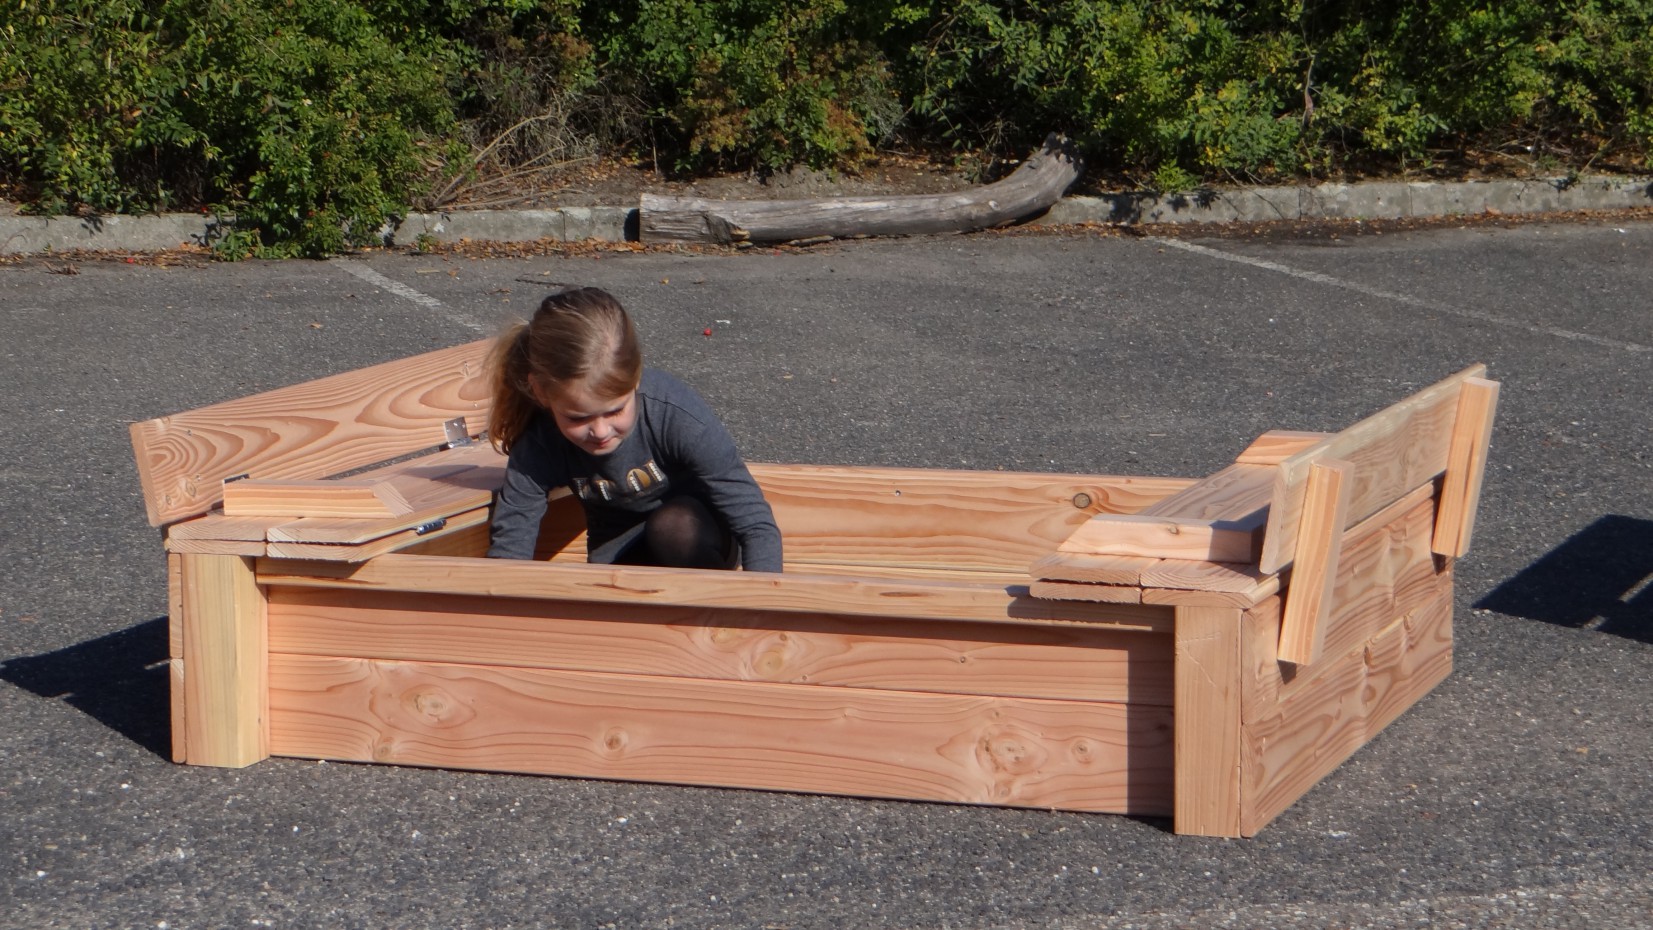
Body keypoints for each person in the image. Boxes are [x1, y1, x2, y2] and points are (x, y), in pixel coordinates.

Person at [485, 286, 783, 572]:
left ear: (636, 378)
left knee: (671, 528)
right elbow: (511, 543)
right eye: (578, 418)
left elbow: (755, 524)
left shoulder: (673, 414)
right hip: (620, 553)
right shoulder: (540, 442)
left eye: (615, 410)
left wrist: (760, 609)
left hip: (697, 539)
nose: (601, 432)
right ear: (540, 392)